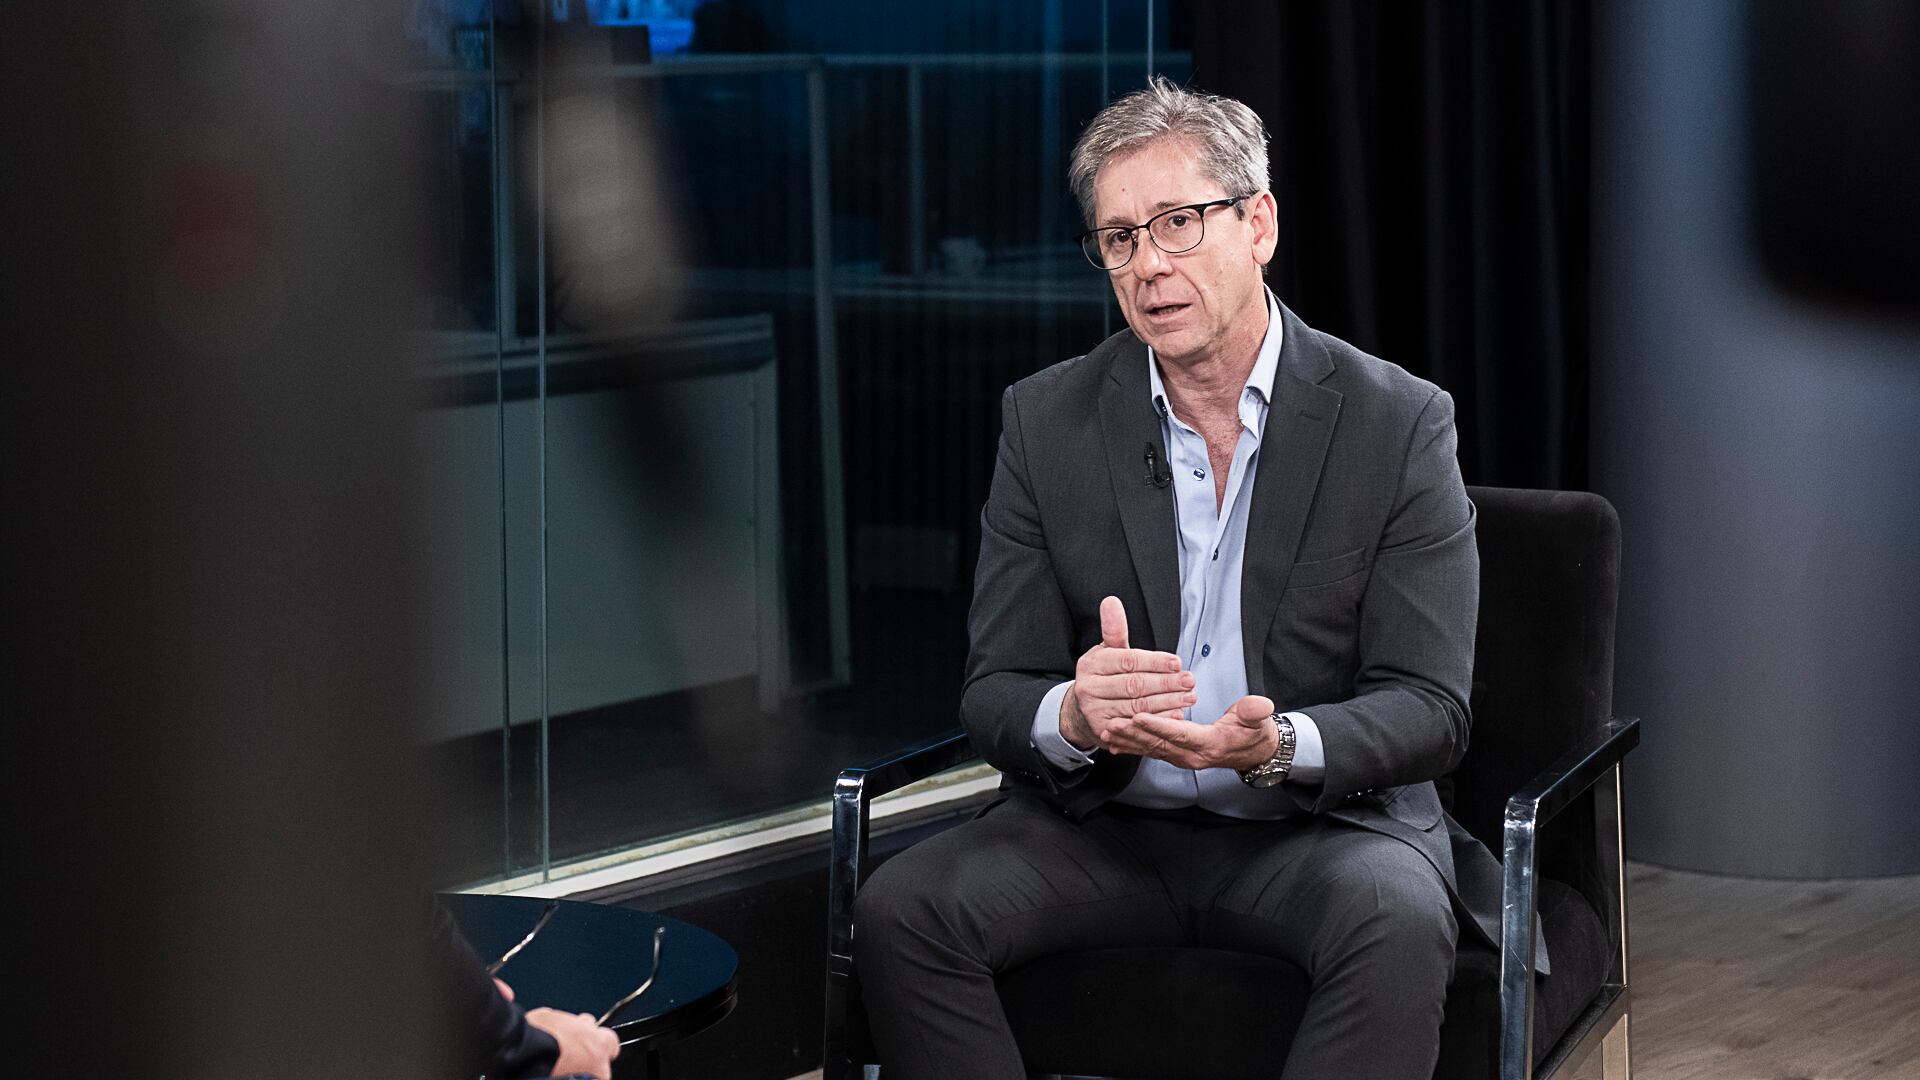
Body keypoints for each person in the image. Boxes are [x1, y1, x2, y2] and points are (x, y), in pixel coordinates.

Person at [853, 76, 1539, 1080]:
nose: (1148, 266)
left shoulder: (1395, 423)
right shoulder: (1049, 423)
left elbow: (1433, 708)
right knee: (904, 908)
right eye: (1120, 238)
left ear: (1258, 224)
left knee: (1393, 914)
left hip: (1317, 831)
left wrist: (1279, 745)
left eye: (1179, 223)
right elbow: (995, 692)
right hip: (1109, 832)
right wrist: (1073, 718)